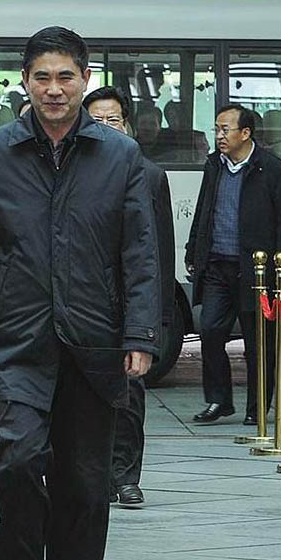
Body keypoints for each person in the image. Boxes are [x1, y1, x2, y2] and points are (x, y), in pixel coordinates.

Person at [0, 27, 160, 560]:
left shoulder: (119, 157)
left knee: (86, 485)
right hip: (16, 344)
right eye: (42, 77)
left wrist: (140, 332)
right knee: (14, 464)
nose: (54, 89)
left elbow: (140, 254)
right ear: (25, 83)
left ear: (84, 80)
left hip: (94, 346)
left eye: (66, 76)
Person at [84, 86, 175, 507]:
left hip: (127, 307)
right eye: (97, 121)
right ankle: (93, 474)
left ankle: (125, 475)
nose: (106, 129)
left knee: (130, 395)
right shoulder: (71, 170)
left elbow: (159, 250)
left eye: (114, 120)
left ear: (128, 125)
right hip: (83, 304)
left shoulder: (149, 174)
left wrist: (155, 320)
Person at [186, 104, 281, 424]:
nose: (219, 136)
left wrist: (279, 267)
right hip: (217, 265)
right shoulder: (214, 165)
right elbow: (204, 210)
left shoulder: (271, 169)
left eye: (225, 129)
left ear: (246, 133)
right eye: (216, 129)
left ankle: (256, 407)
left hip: (256, 271)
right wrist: (194, 250)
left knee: (258, 342)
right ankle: (219, 400)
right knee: (211, 331)